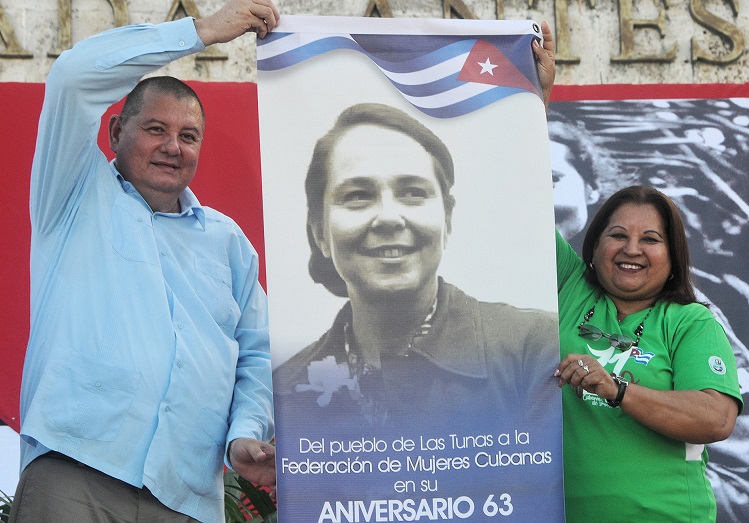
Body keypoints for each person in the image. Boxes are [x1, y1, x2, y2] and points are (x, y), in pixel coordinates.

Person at [12, 1, 280, 522]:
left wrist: (246, 433)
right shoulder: (71, 195)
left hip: (186, 495)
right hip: (76, 473)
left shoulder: (228, 243)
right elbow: (71, 76)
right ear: (115, 133)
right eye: (155, 129)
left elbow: (256, 356)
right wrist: (199, 31)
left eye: (188, 135)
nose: (173, 147)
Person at [274, 101, 560, 433]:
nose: (389, 218)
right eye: (357, 196)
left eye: (412, 192)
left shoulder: (532, 351)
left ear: (447, 219)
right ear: (320, 232)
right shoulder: (285, 392)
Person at [555, 185, 743, 522]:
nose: (632, 249)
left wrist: (618, 390)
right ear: (595, 246)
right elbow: (517, 210)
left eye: (650, 240)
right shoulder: (568, 283)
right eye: (617, 235)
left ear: (673, 256)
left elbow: (717, 418)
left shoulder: (691, 321)